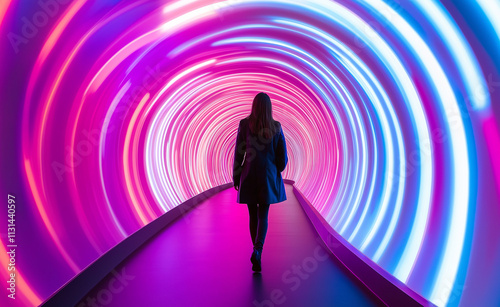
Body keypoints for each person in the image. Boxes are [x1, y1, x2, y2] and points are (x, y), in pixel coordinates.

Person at [233, 92, 288, 272]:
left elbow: (239, 153)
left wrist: (236, 175)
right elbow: (283, 158)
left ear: (254, 106)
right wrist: (275, 170)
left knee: (252, 215)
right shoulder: (276, 127)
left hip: (249, 174)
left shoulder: (244, 124)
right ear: (269, 107)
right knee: (263, 214)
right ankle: (258, 250)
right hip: (267, 177)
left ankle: (255, 249)